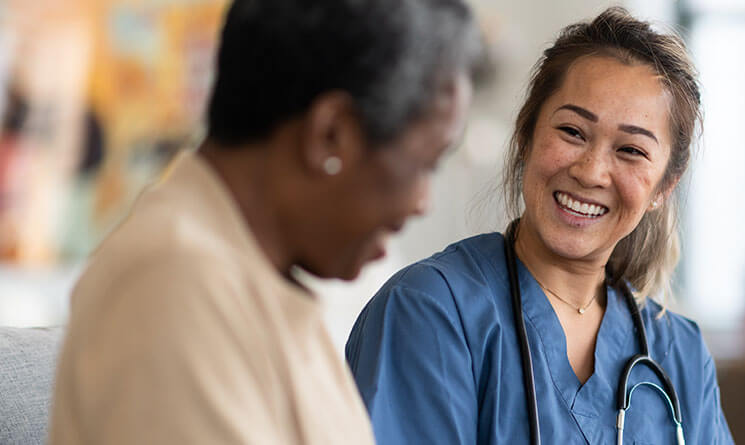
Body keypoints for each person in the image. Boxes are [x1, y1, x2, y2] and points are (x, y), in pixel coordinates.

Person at [49, 0, 478, 443]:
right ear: (331, 135)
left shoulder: (251, 277)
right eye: (426, 164)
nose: (422, 203)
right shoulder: (176, 282)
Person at [346, 7, 734, 444]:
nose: (591, 172)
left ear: (665, 186)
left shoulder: (680, 356)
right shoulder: (431, 311)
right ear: (526, 135)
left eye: (630, 151)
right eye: (572, 131)